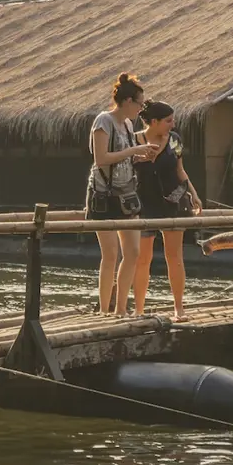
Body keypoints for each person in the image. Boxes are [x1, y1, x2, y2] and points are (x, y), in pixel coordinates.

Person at [88, 72, 159, 315]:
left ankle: (120, 308)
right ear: (128, 101)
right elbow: (101, 159)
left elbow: (126, 157)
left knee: (133, 252)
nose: (140, 110)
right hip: (104, 194)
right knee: (110, 255)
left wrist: (141, 155)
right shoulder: (103, 121)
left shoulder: (128, 124)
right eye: (139, 104)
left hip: (127, 193)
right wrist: (133, 151)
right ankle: (104, 310)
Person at [129, 100, 202, 318]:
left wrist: (194, 193)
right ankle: (139, 310)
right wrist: (140, 157)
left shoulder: (174, 140)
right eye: (168, 121)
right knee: (143, 258)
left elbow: (180, 169)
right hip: (144, 201)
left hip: (174, 199)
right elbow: (124, 167)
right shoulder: (135, 140)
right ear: (154, 122)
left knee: (175, 256)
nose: (173, 124)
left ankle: (179, 308)